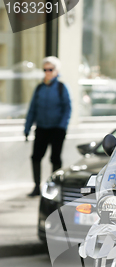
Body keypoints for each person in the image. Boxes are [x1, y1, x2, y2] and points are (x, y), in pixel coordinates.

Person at [24, 56, 72, 197]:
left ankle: (54, 188)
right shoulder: (39, 88)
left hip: (57, 129)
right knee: (36, 157)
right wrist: (27, 127)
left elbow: (67, 108)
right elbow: (32, 109)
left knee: (55, 159)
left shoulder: (62, 88)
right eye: (45, 70)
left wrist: (62, 127)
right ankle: (36, 187)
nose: (47, 72)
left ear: (56, 71)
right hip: (41, 128)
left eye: (50, 69)